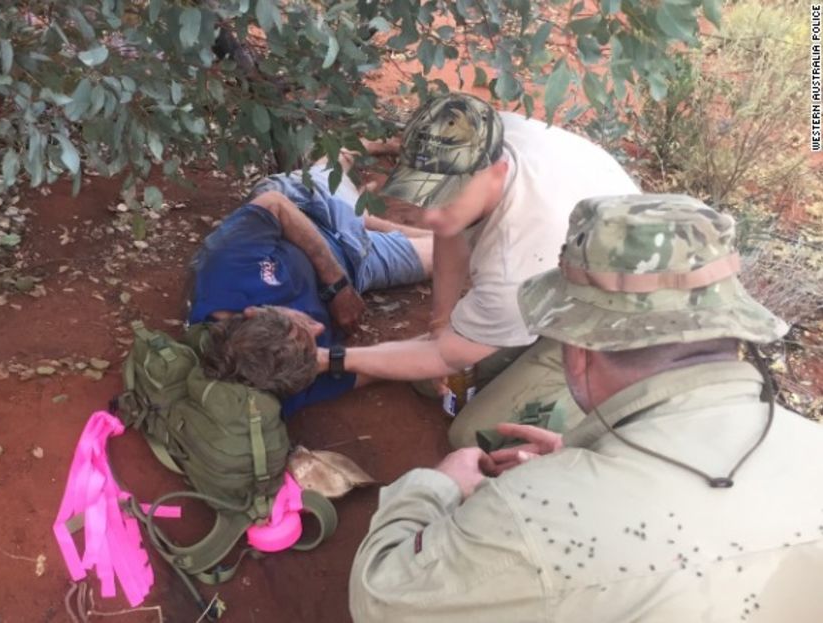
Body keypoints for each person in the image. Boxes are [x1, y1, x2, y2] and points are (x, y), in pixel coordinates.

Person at [350, 194, 823, 622]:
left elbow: (382, 600)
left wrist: (435, 486)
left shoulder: (530, 517)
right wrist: (583, 457)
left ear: (577, 350)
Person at [320, 92, 640, 448]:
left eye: (446, 197)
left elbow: (445, 354)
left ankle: (614, 412)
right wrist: (441, 322)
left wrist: (330, 359)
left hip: (614, 323)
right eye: (424, 193)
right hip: (578, 263)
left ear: (497, 172)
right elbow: (448, 230)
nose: (428, 215)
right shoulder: (481, 130)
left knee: (473, 434)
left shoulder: (515, 260)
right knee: (432, 378)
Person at [187, 150, 433, 417]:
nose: (320, 327)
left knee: (336, 167)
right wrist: (332, 361)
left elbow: (274, 204)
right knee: (452, 255)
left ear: (254, 311)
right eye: (314, 347)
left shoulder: (224, 269)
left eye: (302, 324)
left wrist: (337, 285)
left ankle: (367, 152)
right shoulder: (286, 380)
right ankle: (362, 218)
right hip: (360, 264)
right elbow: (377, 368)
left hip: (309, 209)